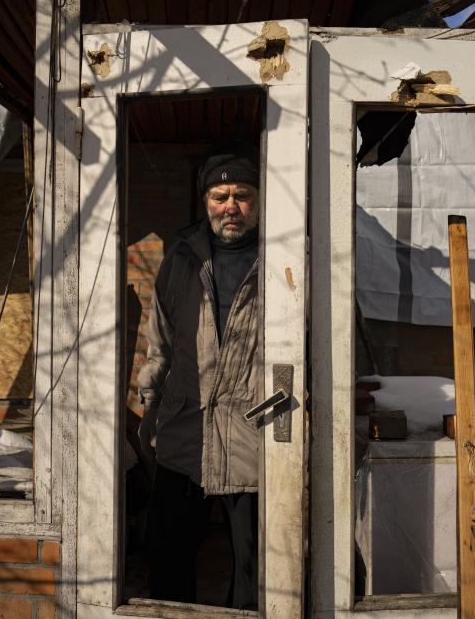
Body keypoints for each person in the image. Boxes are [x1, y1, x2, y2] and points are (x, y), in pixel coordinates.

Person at [136, 140, 261, 610]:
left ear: (258, 199)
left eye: (242, 194)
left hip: (254, 437)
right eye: (220, 196)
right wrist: (149, 407)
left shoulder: (283, 259)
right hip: (185, 432)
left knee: (256, 564)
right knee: (166, 552)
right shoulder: (182, 259)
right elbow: (160, 346)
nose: (231, 206)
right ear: (206, 201)